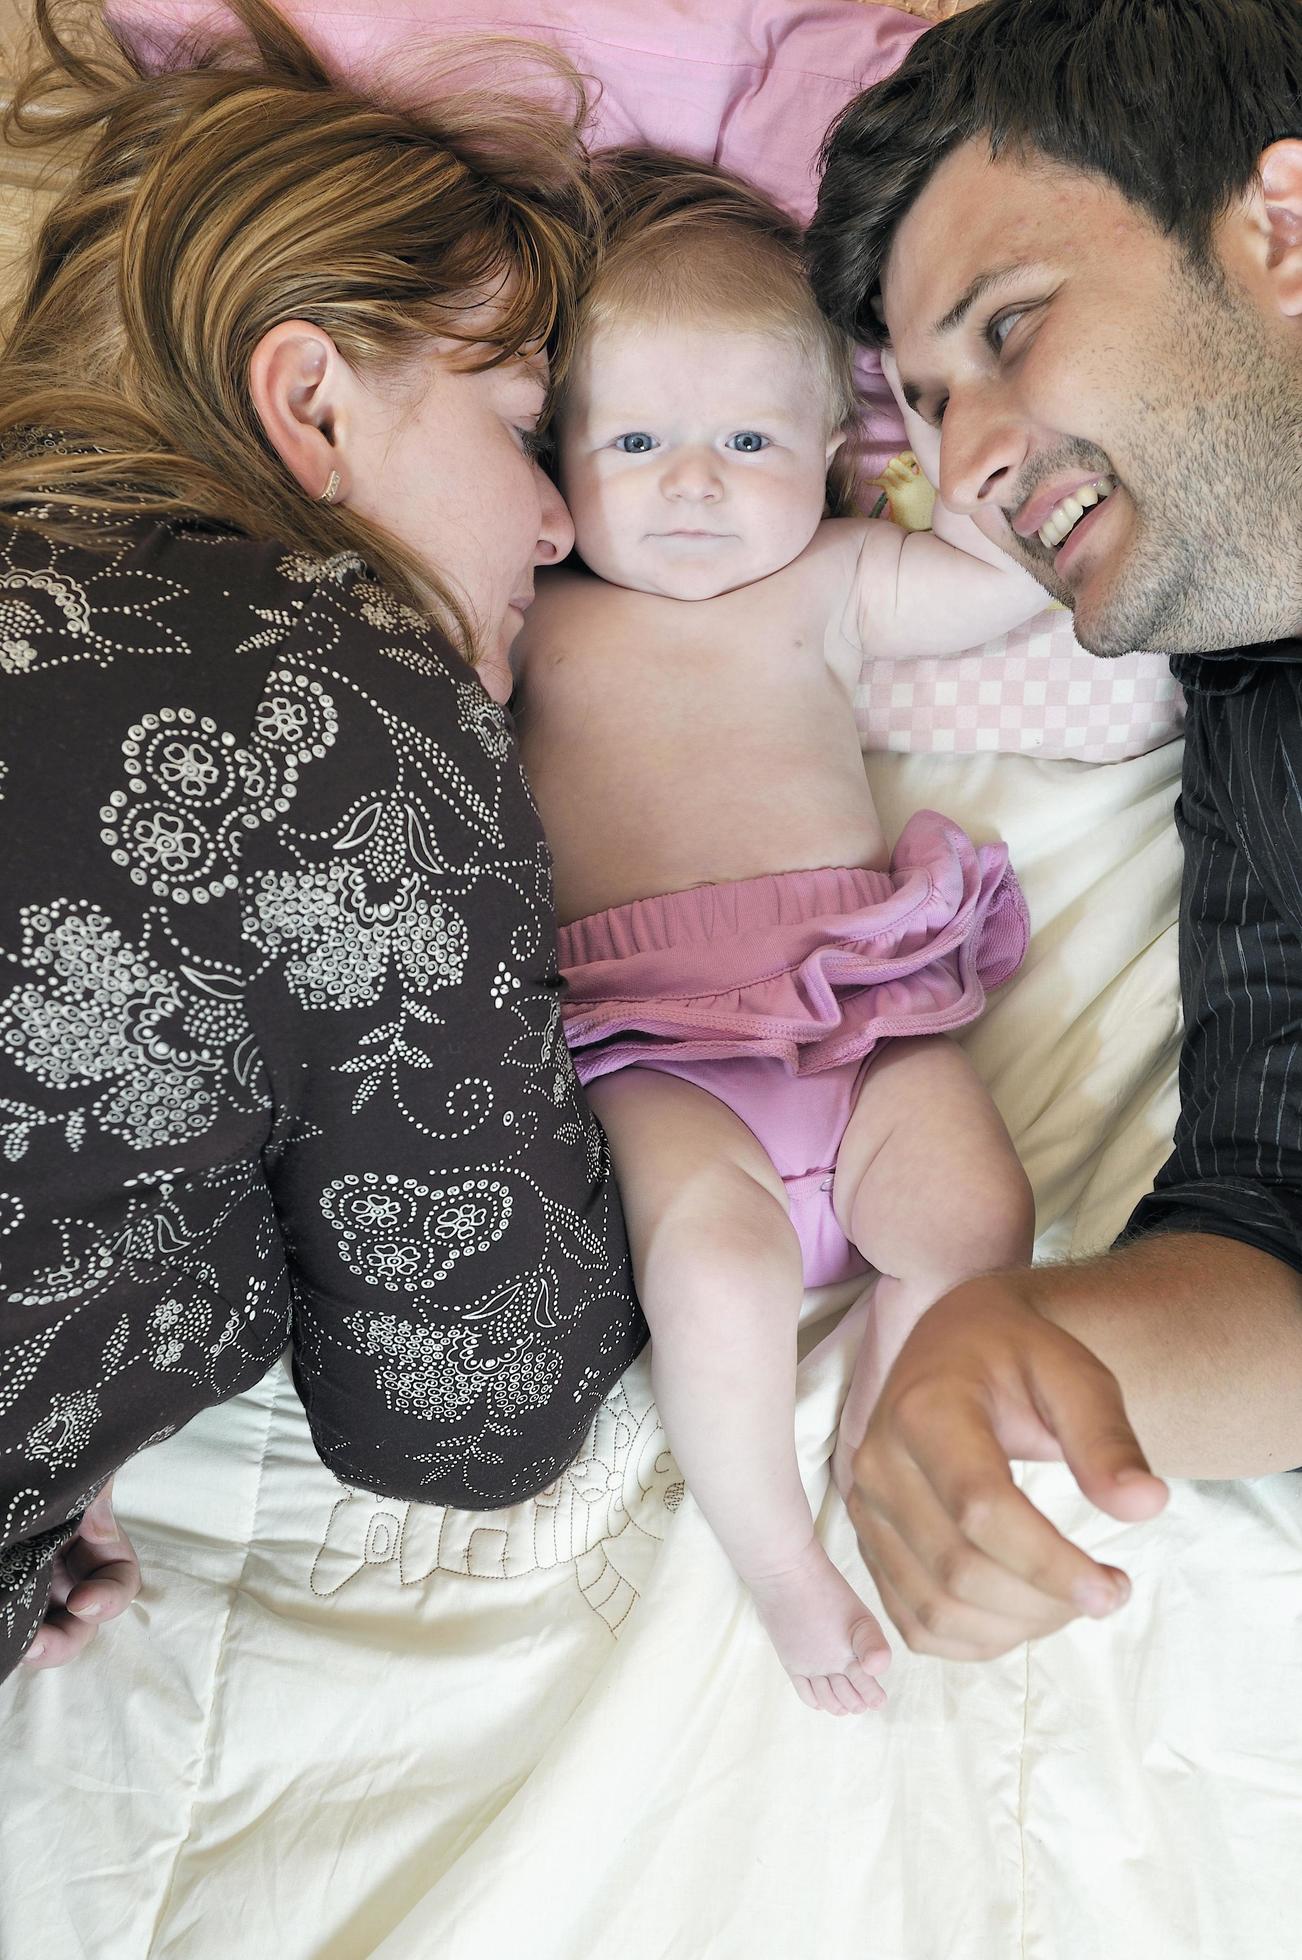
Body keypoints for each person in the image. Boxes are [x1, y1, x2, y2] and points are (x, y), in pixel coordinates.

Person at [0, 0, 647, 1685]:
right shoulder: (335, 705)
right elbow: (469, 1413)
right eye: (519, 428)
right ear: (311, 403)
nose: (565, 523)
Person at [511, 150, 1050, 1715]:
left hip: (857, 1012)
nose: (692, 483)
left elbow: (989, 587)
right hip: (658, 1043)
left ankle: (900, 1405)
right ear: (553, 464)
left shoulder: (825, 578)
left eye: (747, 439)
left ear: (828, 451)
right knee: (714, 1272)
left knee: (975, 1216)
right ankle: (775, 1554)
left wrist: (954, 457)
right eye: (634, 440)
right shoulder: (537, 612)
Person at [803, 0, 1302, 1664]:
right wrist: (1007, 1338)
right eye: (926, 407)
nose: (965, 472)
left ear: (1280, 231)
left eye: (1006, 330)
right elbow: (1268, 1241)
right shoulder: (1251, 712)